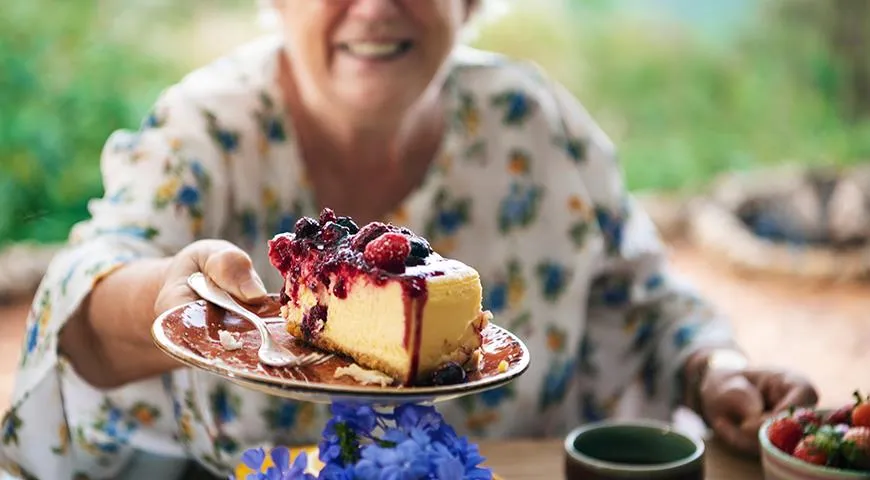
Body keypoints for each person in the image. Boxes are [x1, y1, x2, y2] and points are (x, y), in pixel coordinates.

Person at [0, 1, 818, 478]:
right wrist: (170, 296)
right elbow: (82, 296)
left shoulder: (536, 125)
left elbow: (650, 297)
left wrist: (719, 368)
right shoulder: (205, 132)